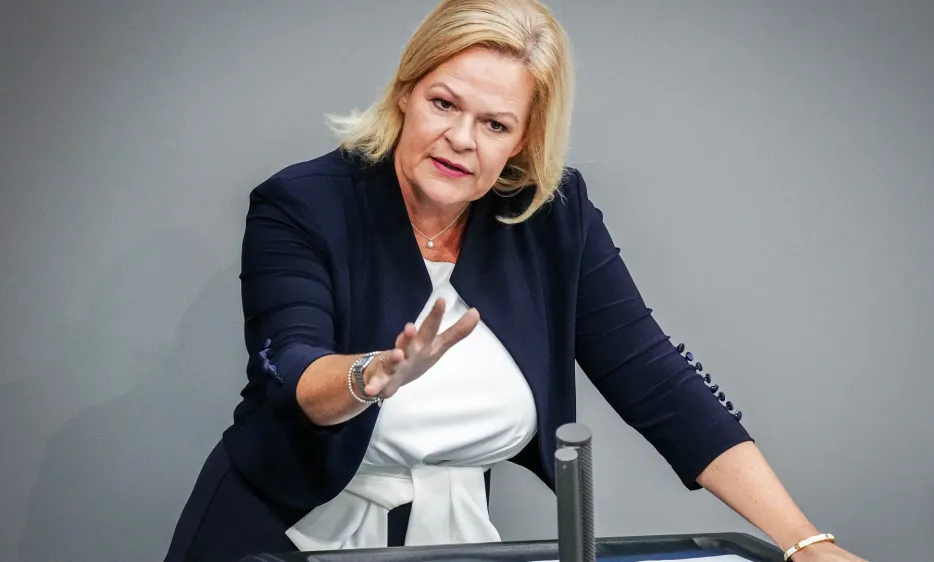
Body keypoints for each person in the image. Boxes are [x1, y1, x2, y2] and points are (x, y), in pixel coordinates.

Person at [166, 1, 867, 561]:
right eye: (444, 103)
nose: (462, 138)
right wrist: (371, 377)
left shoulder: (550, 216)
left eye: (495, 123)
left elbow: (659, 382)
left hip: (453, 545)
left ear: (522, 142)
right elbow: (294, 372)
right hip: (278, 537)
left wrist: (806, 543)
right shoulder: (305, 203)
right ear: (406, 93)